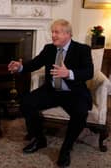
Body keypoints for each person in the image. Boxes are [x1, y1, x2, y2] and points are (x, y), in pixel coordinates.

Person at [8, 19, 94, 167]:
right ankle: (40, 139)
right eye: (52, 32)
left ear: (68, 34)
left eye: (57, 32)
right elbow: (34, 64)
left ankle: (66, 149)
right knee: (26, 103)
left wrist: (69, 73)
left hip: (73, 92)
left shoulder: (82, 49)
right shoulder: (49, 49)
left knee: (80, 113)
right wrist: (20, 67)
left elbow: (89, 72)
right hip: (52, 90)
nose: (53, 35)